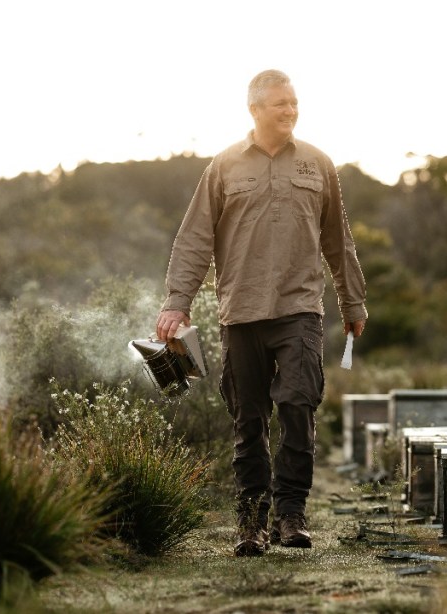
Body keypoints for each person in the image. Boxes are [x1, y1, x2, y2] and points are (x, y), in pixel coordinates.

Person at [155, 69, 367, 557]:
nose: (290, 111)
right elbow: (194, 239)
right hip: (240, 313)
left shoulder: (319, 164)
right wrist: (176, 302)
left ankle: (290, 514)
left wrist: (352, 301)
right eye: (280, 104)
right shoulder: (225, 166)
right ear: (255, 109)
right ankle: (250, 523)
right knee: (248, 421)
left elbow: (339, 240)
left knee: (298, 407)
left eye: (294, 103)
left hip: (299, 311)